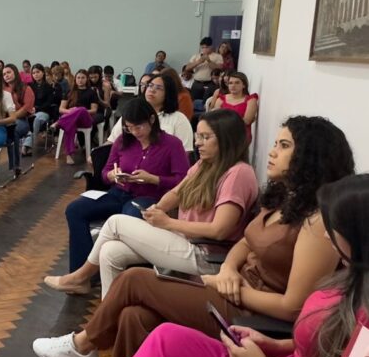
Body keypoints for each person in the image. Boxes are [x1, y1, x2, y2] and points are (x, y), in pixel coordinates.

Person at [36, 117, 354, 357]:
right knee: (133, 316)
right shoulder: (285, 198)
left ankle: (83, 344)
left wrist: (229, 285)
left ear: (311, 157)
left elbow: (292, 307)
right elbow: (246, 240)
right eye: (275, 143)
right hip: (229, 282)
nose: (272, 152)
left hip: (250, 310)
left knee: (133, 277)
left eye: (284, 146)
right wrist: (229, 269)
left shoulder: (317, 223)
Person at [60, 171, 369, 357]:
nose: (328, 238)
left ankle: (84, 351)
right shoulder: (348, 278)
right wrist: (278, 346)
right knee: (166, 338)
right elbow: (323, 349)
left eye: (335, 230)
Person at [55, 109, 258, 297]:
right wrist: (158, 209)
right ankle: (109, 319)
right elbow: (177, 192)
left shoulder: (238, 173)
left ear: (227, 140)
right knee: (110, 252)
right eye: (198, 136)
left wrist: (167, 223)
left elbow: (219, 230)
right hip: (187, 240)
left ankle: (81, 276)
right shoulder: (205, 165)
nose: (198, 143)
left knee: (116, 222)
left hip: (206, 254)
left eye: (206, 137)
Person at [49, 98, 190, 278]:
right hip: (119, 193)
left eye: (138, 127)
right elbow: (106, 171)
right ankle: (84, 274)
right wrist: (112, 176)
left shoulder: (171, 144)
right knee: (75, 210)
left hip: (150, 198)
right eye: (129, 127)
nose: (133, 132)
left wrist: (153, 179)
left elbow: (183, 180)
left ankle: (124, 277)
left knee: (128, 217)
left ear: (152, 120)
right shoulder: (124, 141)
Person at [108, 73, 194, 153]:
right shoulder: (132, 113)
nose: (152, 90)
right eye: (150, 86)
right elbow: (112, 141)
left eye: (158, 88)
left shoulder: (179, 119)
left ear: (168, 93)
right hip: (129, 163)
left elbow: (184, 153)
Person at [57, 70, 100, 165]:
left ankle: (59, 122)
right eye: (78, 78)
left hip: (86, 119)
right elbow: (61, 109)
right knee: (70, 125)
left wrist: (80, 111)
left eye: (83, 78)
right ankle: (69, 155)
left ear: (87, 79)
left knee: (81, 109)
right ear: (75, 79)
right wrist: (72, 111)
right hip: (72, 120)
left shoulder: (91, 92)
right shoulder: (69, 92)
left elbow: (94, 110)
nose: (80, 80)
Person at [3, 64, 35, 174]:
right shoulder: (3, 89)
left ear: (15, 73)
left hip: (21, 120)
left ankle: (15, 165)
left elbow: (26, 108)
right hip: (3, 119)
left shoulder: (26, 88)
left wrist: (12, 117)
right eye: (4, 74)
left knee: (13, 130)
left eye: (8, 72)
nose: (6, 75)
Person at [211, 72, 258, 143]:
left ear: (244, 85)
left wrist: (224, 119)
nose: (233, 86)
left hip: (241, 136)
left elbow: (246, 121)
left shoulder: (250, 100)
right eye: (230, 83)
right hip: (223, 134)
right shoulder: (221, 99)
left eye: (237, 83)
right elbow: (216, 120)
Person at [22, 63, 55, 155]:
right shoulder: (30, 86)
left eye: (38, 72)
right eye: (33, 73)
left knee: (35, 119)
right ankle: (27, 145)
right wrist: (30, 109)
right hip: (30, 110)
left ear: (43, 73)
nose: (35, 74)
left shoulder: (48, 87)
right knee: (25, 118)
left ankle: (27, 145)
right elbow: (26, 100)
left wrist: (36, 109)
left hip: (44, 112)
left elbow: (49, 103)